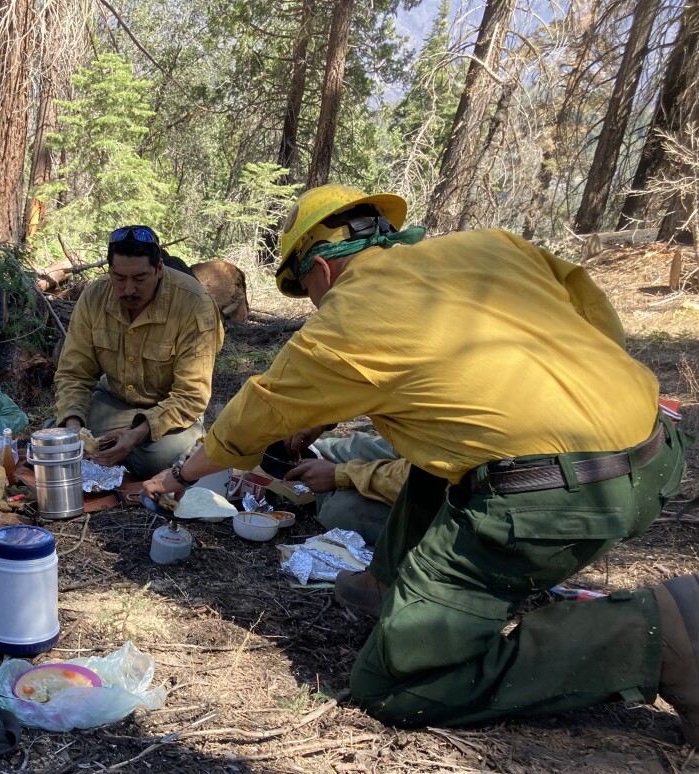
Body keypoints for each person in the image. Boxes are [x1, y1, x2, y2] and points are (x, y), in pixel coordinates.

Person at [144, 183, 698, 744]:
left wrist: (180, 475)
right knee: (435, 456)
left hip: (558, 495)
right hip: (655, 449)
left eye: (306, 288)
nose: (313, 302)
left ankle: (658, 632)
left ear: (322, 270)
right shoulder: (492, 246)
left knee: (394, 685)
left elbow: (252, 417)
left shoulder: (348, 317)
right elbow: (592, 318)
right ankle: (387, 584)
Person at [53, 225, 224, 480]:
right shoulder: (94, 298)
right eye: (119, 278)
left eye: (140, 278)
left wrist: (135, 435)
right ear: (109, 271)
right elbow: (73, 374)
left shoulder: (194, 304)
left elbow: (191, 395)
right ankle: (115, 454)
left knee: (156, 460)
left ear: (159, 269)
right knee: (56, 440)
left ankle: (129, 455)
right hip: (113, 402)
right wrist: (74, 429)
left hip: (169, 410)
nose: (129, 289)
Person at [280, 430, 408, 545]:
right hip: (410, 453)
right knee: (359, 447)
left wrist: (342, 475)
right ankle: (319, 455)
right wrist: (319, 423)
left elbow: (411, 479)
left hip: (415, 488)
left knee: (337, 512)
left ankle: (330, 491)